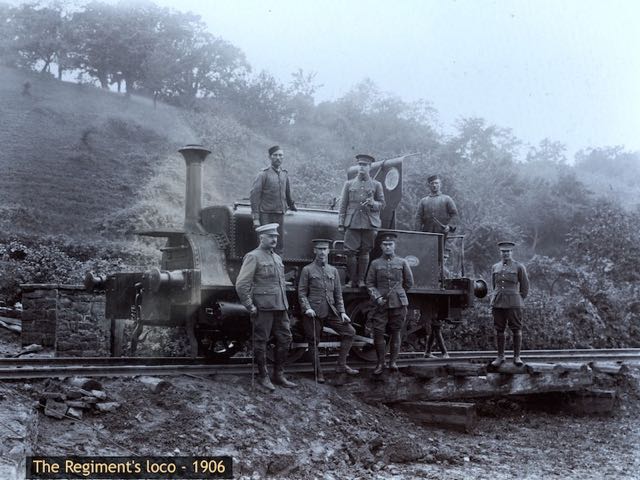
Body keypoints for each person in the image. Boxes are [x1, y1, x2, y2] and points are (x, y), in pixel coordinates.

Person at [235, 223, 296, 391]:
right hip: (263, 307)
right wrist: (249, 305)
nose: (274, 239)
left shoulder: (276, 258)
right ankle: (263, 376)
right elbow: (241, 284)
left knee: (285, 339)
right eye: (271, 237)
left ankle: (279, 374)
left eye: (276, 236)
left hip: (280, 306)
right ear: (261, 238)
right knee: (260, 342)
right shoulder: (253, 256)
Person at [298, 239, 359, 383]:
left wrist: (342, 312)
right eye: (319, 249)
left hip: (331, 310)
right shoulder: (307, 270)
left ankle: (341, 365)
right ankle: (318, 373)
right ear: (314, 251)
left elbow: (338, 294)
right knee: (314, 341)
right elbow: (301, 293)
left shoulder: (333, 270)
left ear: (328, 251)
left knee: (350, 332)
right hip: (313, 312)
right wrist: (307, 308)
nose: (322, 252)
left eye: (324, 249)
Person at [365, 232, 414, 374]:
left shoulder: (402, 262)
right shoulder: (375, 264)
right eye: (385, 245)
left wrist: (398, 293)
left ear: (394, 246)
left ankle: (393, 362)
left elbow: (409, 283)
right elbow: (369, 284)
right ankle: (381, 363)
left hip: (398, 304)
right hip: (380, 304)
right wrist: (377, 298)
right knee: (379, 333)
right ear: (381, 246)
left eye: (390, 245)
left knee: (396, 332)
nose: (387, 247)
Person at [338, 154, 385, 287]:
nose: (362, 167)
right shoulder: (349, 184)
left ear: (370, 167)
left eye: (365, 165)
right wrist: (341, 223)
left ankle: (361, 280)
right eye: (360, 164)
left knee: (365, 251)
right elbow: (343, 204)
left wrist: (373, 203)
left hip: (369, 222)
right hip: (352, 221)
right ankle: (352, 280)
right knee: (350, 252)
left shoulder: (376, 185)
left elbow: (382, 204)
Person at [250, 146, 297, 254]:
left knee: (279, 245)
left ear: (283, 157)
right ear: (270, 157)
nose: (278, 158)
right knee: (265, 244)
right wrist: (256, 218)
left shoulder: (285, 174)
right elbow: (254, 196)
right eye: (275, 155)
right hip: (265, 214)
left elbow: (287, 194)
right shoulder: (263, 174)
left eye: (280, 155)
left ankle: (277, 268)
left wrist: (292, 206)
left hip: (280, 214)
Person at [490, 241, 530, 367]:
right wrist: (496, 297)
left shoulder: (519, 267)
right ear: (500, 252)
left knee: (516, 328)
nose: (505, 254)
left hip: (513, 303)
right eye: (503, 251)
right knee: (499, 329)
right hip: (498, 302)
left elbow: (525, 286)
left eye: (508, 251)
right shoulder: (495, 267)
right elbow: (494, 285)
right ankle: (500, 356)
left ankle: (517, 356)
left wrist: (518, 298)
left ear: (511, 252)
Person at [414, 174, 458, 244]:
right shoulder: (423, 201)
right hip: (427, 234)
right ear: (429, 185)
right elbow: (418, 218)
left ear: (440, 184)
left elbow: (454, 215)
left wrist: (449, 227)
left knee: (441, 253)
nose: (434, 185)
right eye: (432, 183)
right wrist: (418, 233)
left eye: (436, 183)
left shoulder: (447, 199)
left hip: (443, 235)